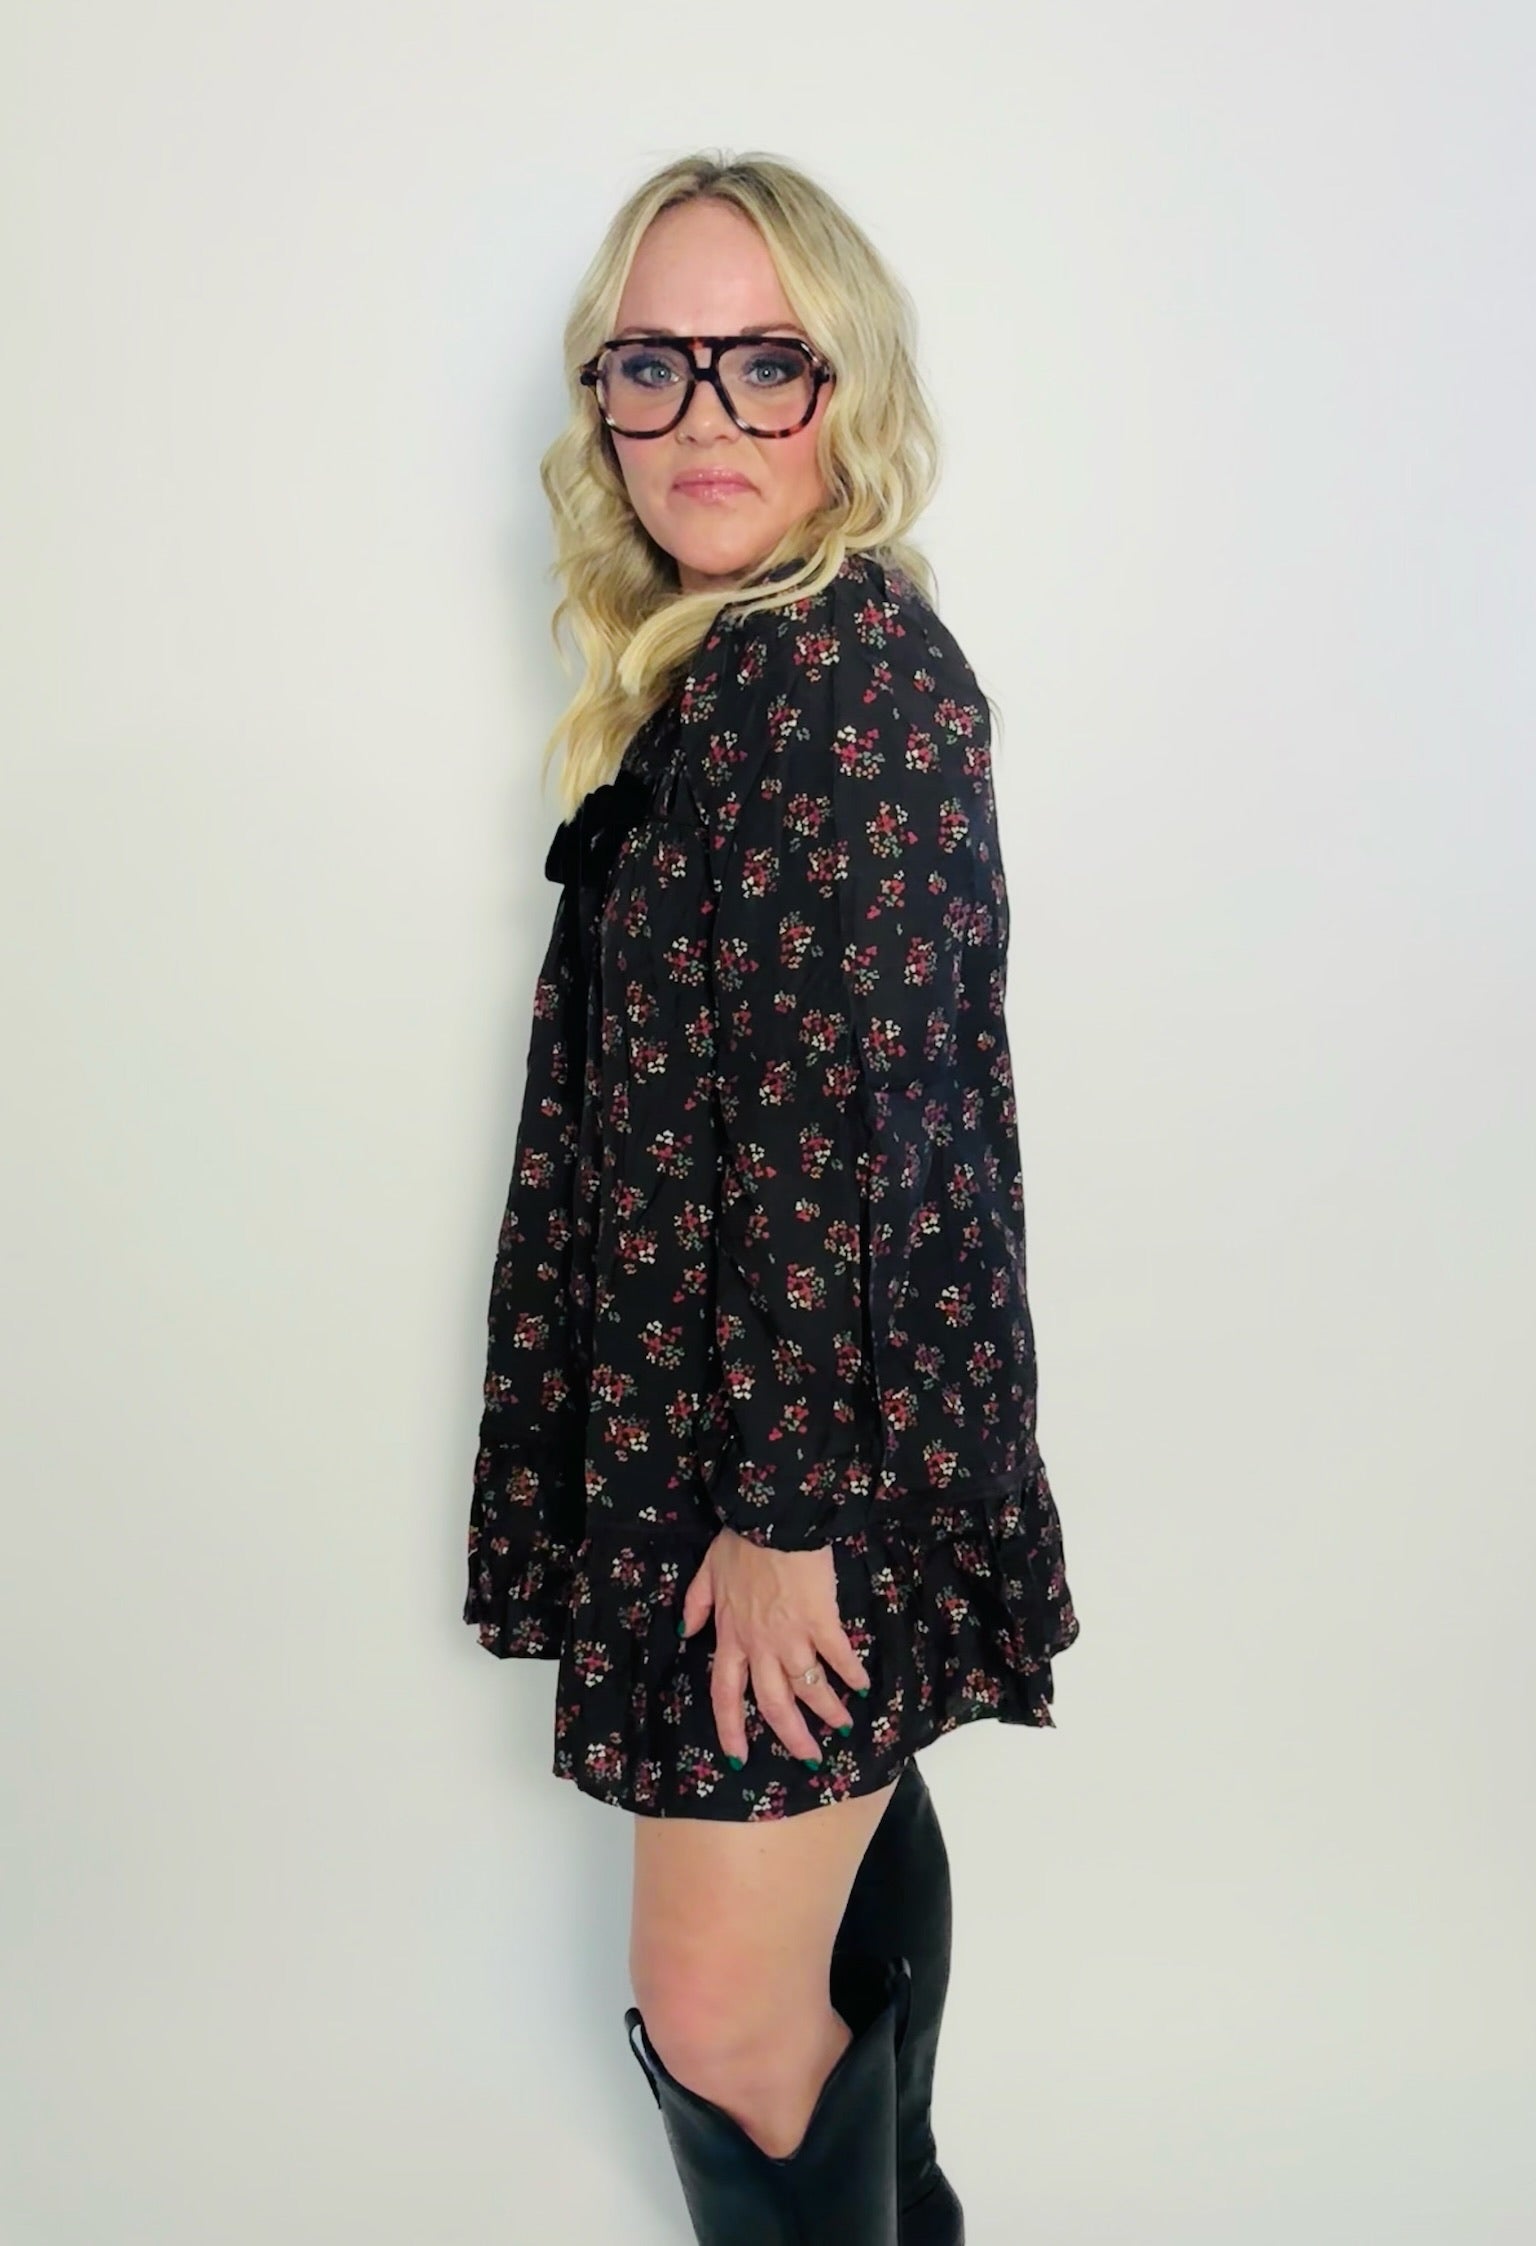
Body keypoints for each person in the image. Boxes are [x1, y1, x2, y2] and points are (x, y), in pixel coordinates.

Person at [463, 148, 1081, 2245]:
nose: (703, 416)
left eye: (764, 361)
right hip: (753, 1434)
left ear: (849, 385)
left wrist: (786, 1512)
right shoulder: (753, 663)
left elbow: (851, 1127)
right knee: (825, 1921)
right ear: (604, 400)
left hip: (793, 1457)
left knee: (724, 2017)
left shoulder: (835, 684)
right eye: (653, 364)